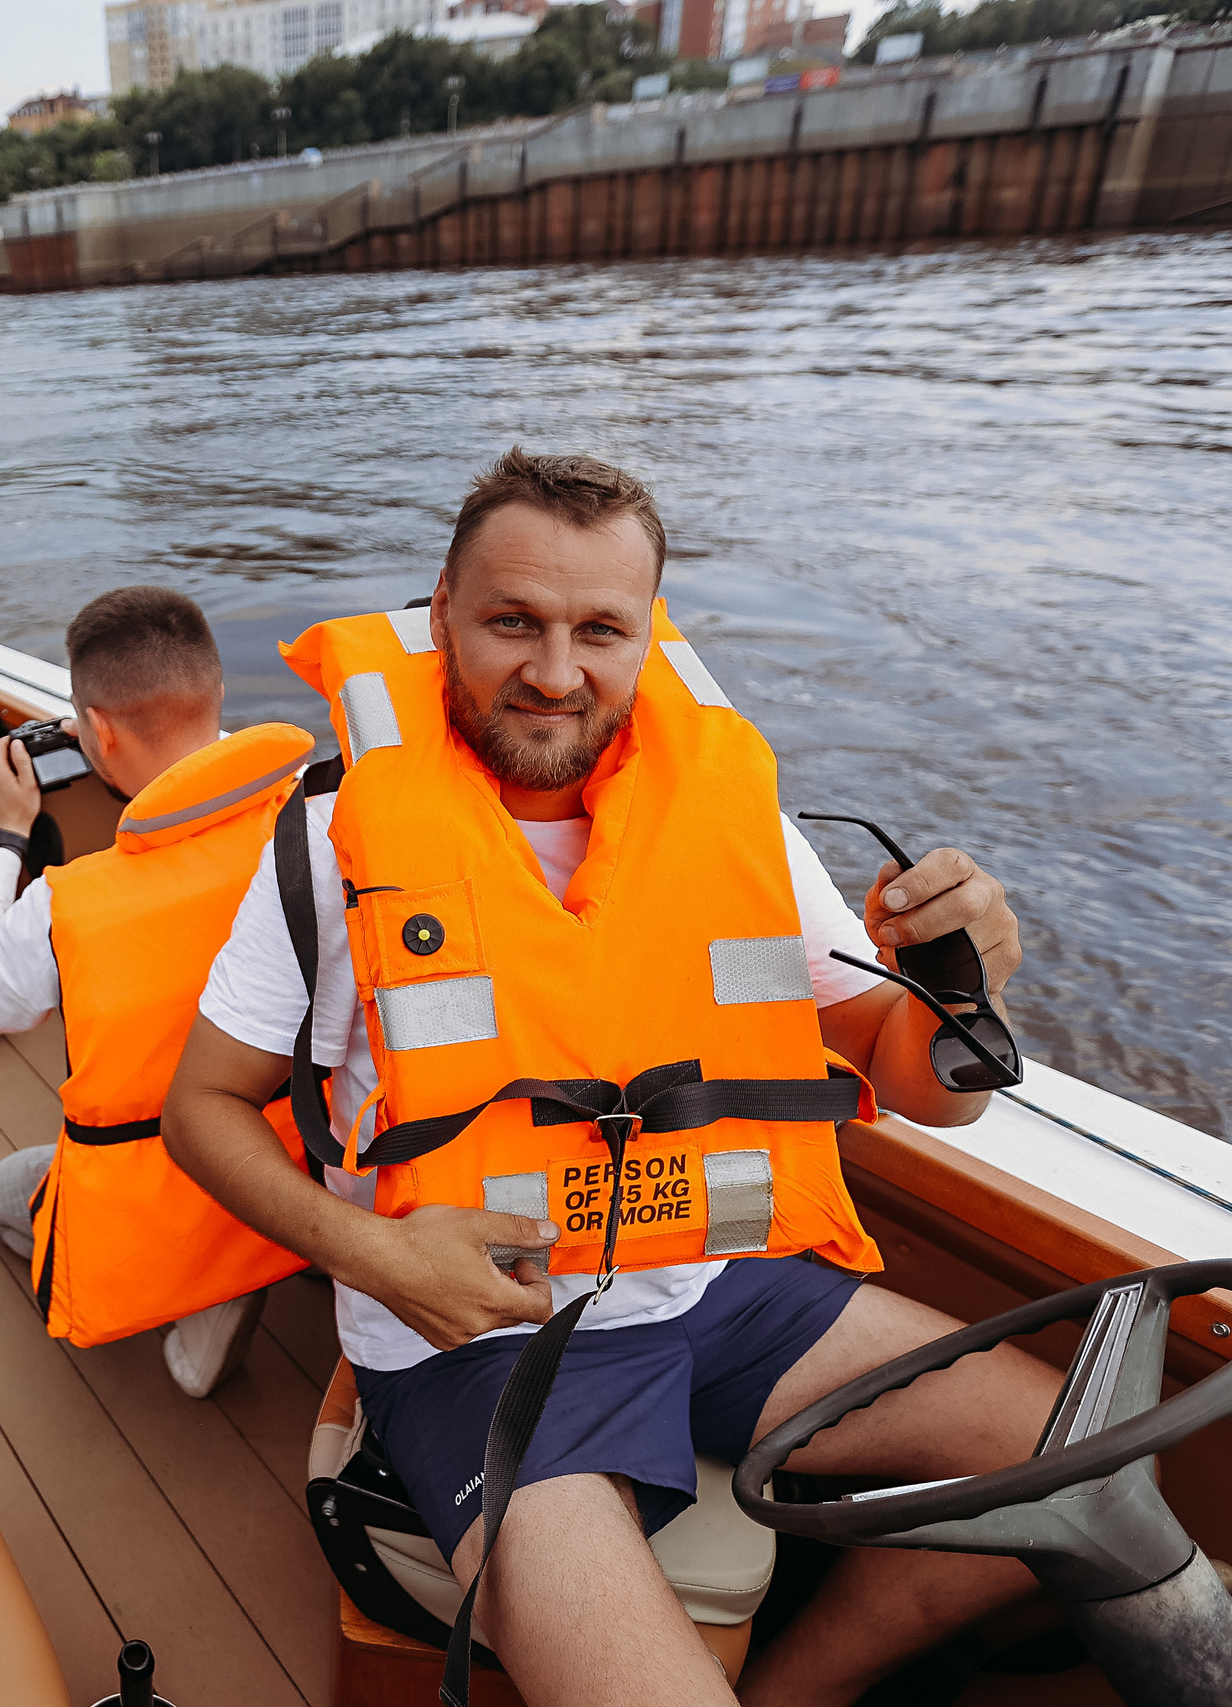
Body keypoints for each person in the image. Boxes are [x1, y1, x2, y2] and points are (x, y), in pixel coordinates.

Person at [164, 448, 1056, 1705]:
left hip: (716, 1289)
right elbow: (197, 1109)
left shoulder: (731, 820)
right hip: (481, 1337)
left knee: (1071, 1458)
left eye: (599, 630)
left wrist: (964, 994)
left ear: (647, 637)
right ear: (439, 614)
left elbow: (920, 1085)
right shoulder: (330, 838)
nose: (554, 671)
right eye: (511, 622)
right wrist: (370, 1257)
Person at [0, 588, 316, 1398]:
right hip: (311, 1140)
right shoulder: (322, 817)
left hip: (171, 1178)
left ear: (96, 731)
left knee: (4, 1189)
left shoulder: (69, 905)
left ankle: (210, 1278)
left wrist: (3, 836)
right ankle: (278, 1241)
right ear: (218, 697)